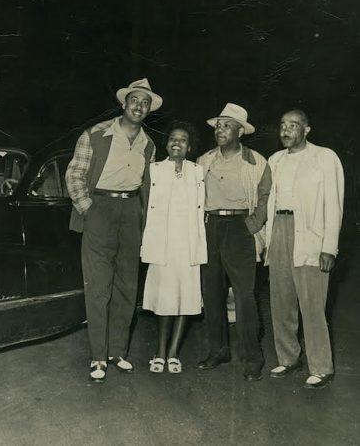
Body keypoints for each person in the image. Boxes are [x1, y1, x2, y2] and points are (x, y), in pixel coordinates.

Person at [66, 78, 160, 382]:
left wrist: (145, 218)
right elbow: (75, 174)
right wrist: (88, 209)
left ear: (148, 110)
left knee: (127, 287)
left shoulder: (149, 145)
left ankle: (117, 352)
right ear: (124, 103)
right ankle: (98, 358)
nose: (139, 106)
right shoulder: (95, 134)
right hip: (100, 209)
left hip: (131, 212)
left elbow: (150, 187)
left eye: (145, 103)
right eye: (134, 100)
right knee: (98, 288)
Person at [265, 109, 344, 389]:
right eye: (283, 125)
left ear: (307, 129)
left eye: (294, 125)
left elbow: (333, 205)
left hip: (310, 236)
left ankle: (321, 367)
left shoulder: (325, 157)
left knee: (312, 305)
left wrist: (329, 247)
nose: (287, 130)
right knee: (281, 301)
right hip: (279, 232)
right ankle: (288, 358)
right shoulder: (274, 160)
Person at [196, 103, 271, 382]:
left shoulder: (257, 162)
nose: (220, 129)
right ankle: (218, 350)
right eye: (218, 125)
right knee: (211, 292)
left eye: (226, 125)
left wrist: (251, 226)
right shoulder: (204, 161)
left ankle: (253, 358)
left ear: (240, 131)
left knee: (245, 296)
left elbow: (265, 199)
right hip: (210, 226)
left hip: (240, 228)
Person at [140, 121, 207, 374]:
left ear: (189, 147)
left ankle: (173, 353)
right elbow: (145, 205)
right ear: (166, 144)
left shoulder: (198, 171)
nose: (176, 143)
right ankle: (159, 352)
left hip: (188, 245)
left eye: (182, 140)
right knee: (165, 300)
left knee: (186, 300)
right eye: (172, 139)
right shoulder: (153, 170)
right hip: (162, 246)